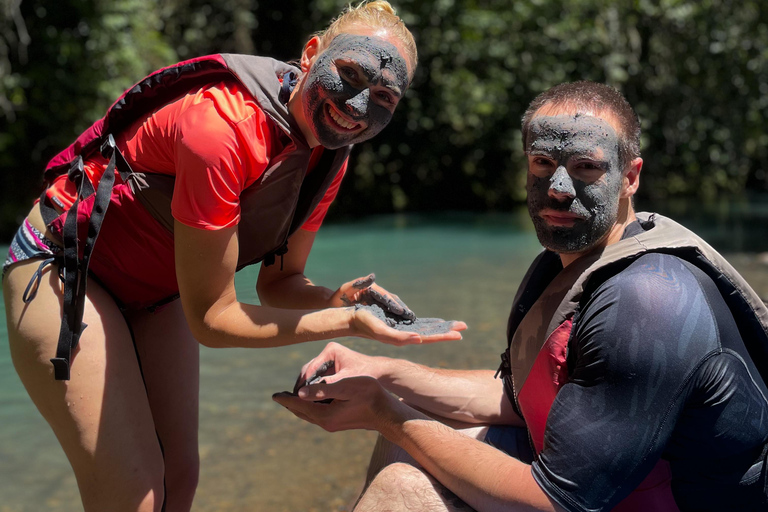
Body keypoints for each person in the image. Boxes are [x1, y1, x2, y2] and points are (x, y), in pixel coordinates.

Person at [2, 2, 466, 511]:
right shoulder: (221, 128)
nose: (357, 106)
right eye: (349, 74)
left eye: (382, 96)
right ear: (311, 53)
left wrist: (341, 298)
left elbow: (280, 283)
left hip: (156, 290)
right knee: (133, 493)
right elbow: (213, 320)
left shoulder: (329, 151)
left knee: (179, 479)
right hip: (66, 268)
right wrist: (345, 321)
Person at [274, 81, 768, 511]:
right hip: (610, 493)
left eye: (586, 167)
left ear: (630, 177)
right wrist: (383, 372)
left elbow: (557, 503)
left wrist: (384, 411)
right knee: (411, 432)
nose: (558, 188)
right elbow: (520, 398)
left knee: (404, 486)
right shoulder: (561, 264)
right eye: (543, 162)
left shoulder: (649, 301)